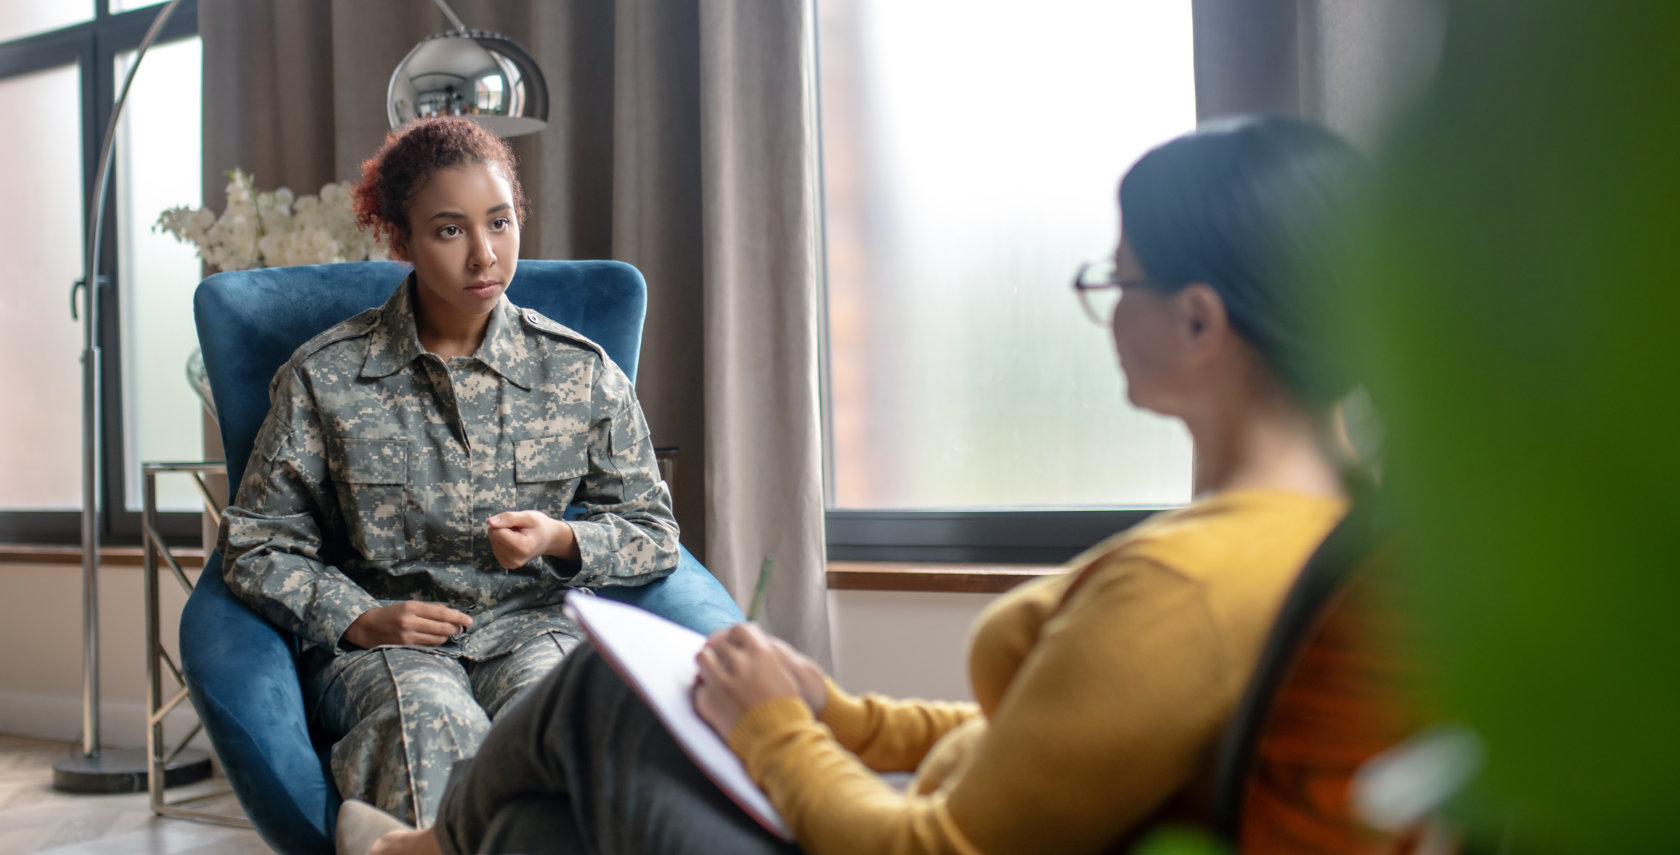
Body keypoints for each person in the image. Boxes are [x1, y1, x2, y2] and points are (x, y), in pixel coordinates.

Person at [344, 114, 1368, 855]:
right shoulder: (1328, 540)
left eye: (1118, 278)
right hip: (891, 792)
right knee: (531, 828)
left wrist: (774, 731)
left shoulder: (1183, 590)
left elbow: (933, 845)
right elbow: (1061, 742)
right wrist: (839, 714)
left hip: (883, 836)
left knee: (603, 685)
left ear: (1198, 322)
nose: (1100, 303)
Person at [218, 116, 680, 826]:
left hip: (534, 630)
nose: (484, 256)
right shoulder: (325, 377)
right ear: (400, 240)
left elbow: (653, 530)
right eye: (449, 230)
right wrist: (360, 617)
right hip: (390, 650)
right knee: (430, 727)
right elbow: (256, 542)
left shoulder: (581, 372)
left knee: (565, 726)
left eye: (499, 223)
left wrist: (559, 538)